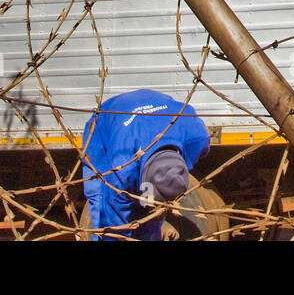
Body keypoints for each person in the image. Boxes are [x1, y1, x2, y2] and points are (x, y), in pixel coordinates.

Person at [81, 88, 211, 241]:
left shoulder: (197, 138)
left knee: (150, 214)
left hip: (150, 107)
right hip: (104, 127)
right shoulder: (122, 169)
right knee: (101, 202)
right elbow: (113, 225)